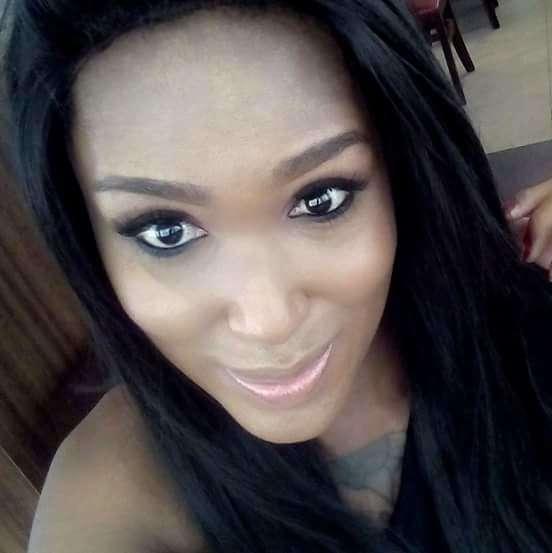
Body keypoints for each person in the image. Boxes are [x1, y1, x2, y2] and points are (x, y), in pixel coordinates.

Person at [1, 1, 551, 552]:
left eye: (321, 199)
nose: (268, 321)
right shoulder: (111, 495)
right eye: (167, 231)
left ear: (401, 174)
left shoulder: (518, 329)